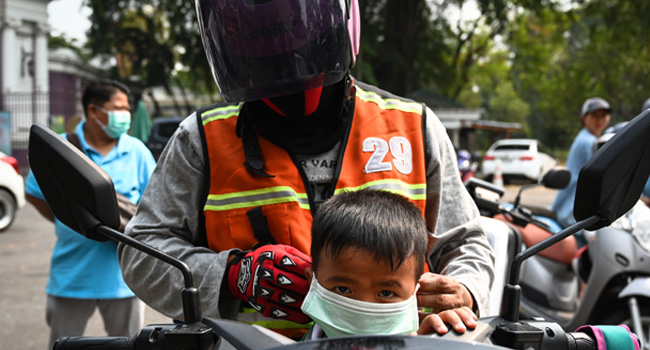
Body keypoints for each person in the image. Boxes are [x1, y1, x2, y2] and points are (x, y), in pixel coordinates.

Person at [118, 0, 494, 338]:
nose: (285, 64)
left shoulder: (413, 126)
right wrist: (232, 275)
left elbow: (466, 242)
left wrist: (464, 291)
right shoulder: (201, 139)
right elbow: (142, 253)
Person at [25, 80, 156, 348]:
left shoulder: (137, 151)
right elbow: (33, 192)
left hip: (125, 278)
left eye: (127, 108)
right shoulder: (61, 149)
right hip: (72, 275)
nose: (125, 115)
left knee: (130, 345)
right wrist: (69, 220)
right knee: (63, 344)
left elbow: (155, 205)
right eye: (118, 108)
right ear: (94, 111)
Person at [301, 189, 477, 339]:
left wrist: (440, 340)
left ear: (416, 292)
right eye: (342, 289)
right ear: (312, 283)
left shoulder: (428, 338)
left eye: (386, 293)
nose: (364, 312)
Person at [551, 97, 611, 246]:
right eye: (594, 115)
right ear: (584, 118)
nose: (599, 120)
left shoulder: (585, 137)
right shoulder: (589, 142)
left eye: (603, 115)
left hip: (568, 205)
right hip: (574, 210)